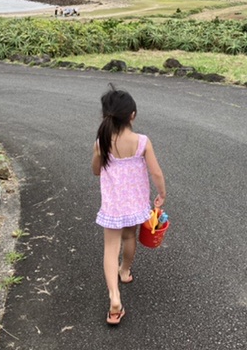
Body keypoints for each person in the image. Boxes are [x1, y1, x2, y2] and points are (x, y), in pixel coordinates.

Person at [91, 85, 166, 325]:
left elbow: (95, 170)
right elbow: (156, 172)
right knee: (129, 237)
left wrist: (99, 154)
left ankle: (114, 297)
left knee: (110, 248)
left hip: (113, 206)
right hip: (135, 205)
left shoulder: (101, 142)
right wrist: (161, 194)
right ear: (132, 115)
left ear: (106, 116)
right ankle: (124, 271)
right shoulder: (142, 142)